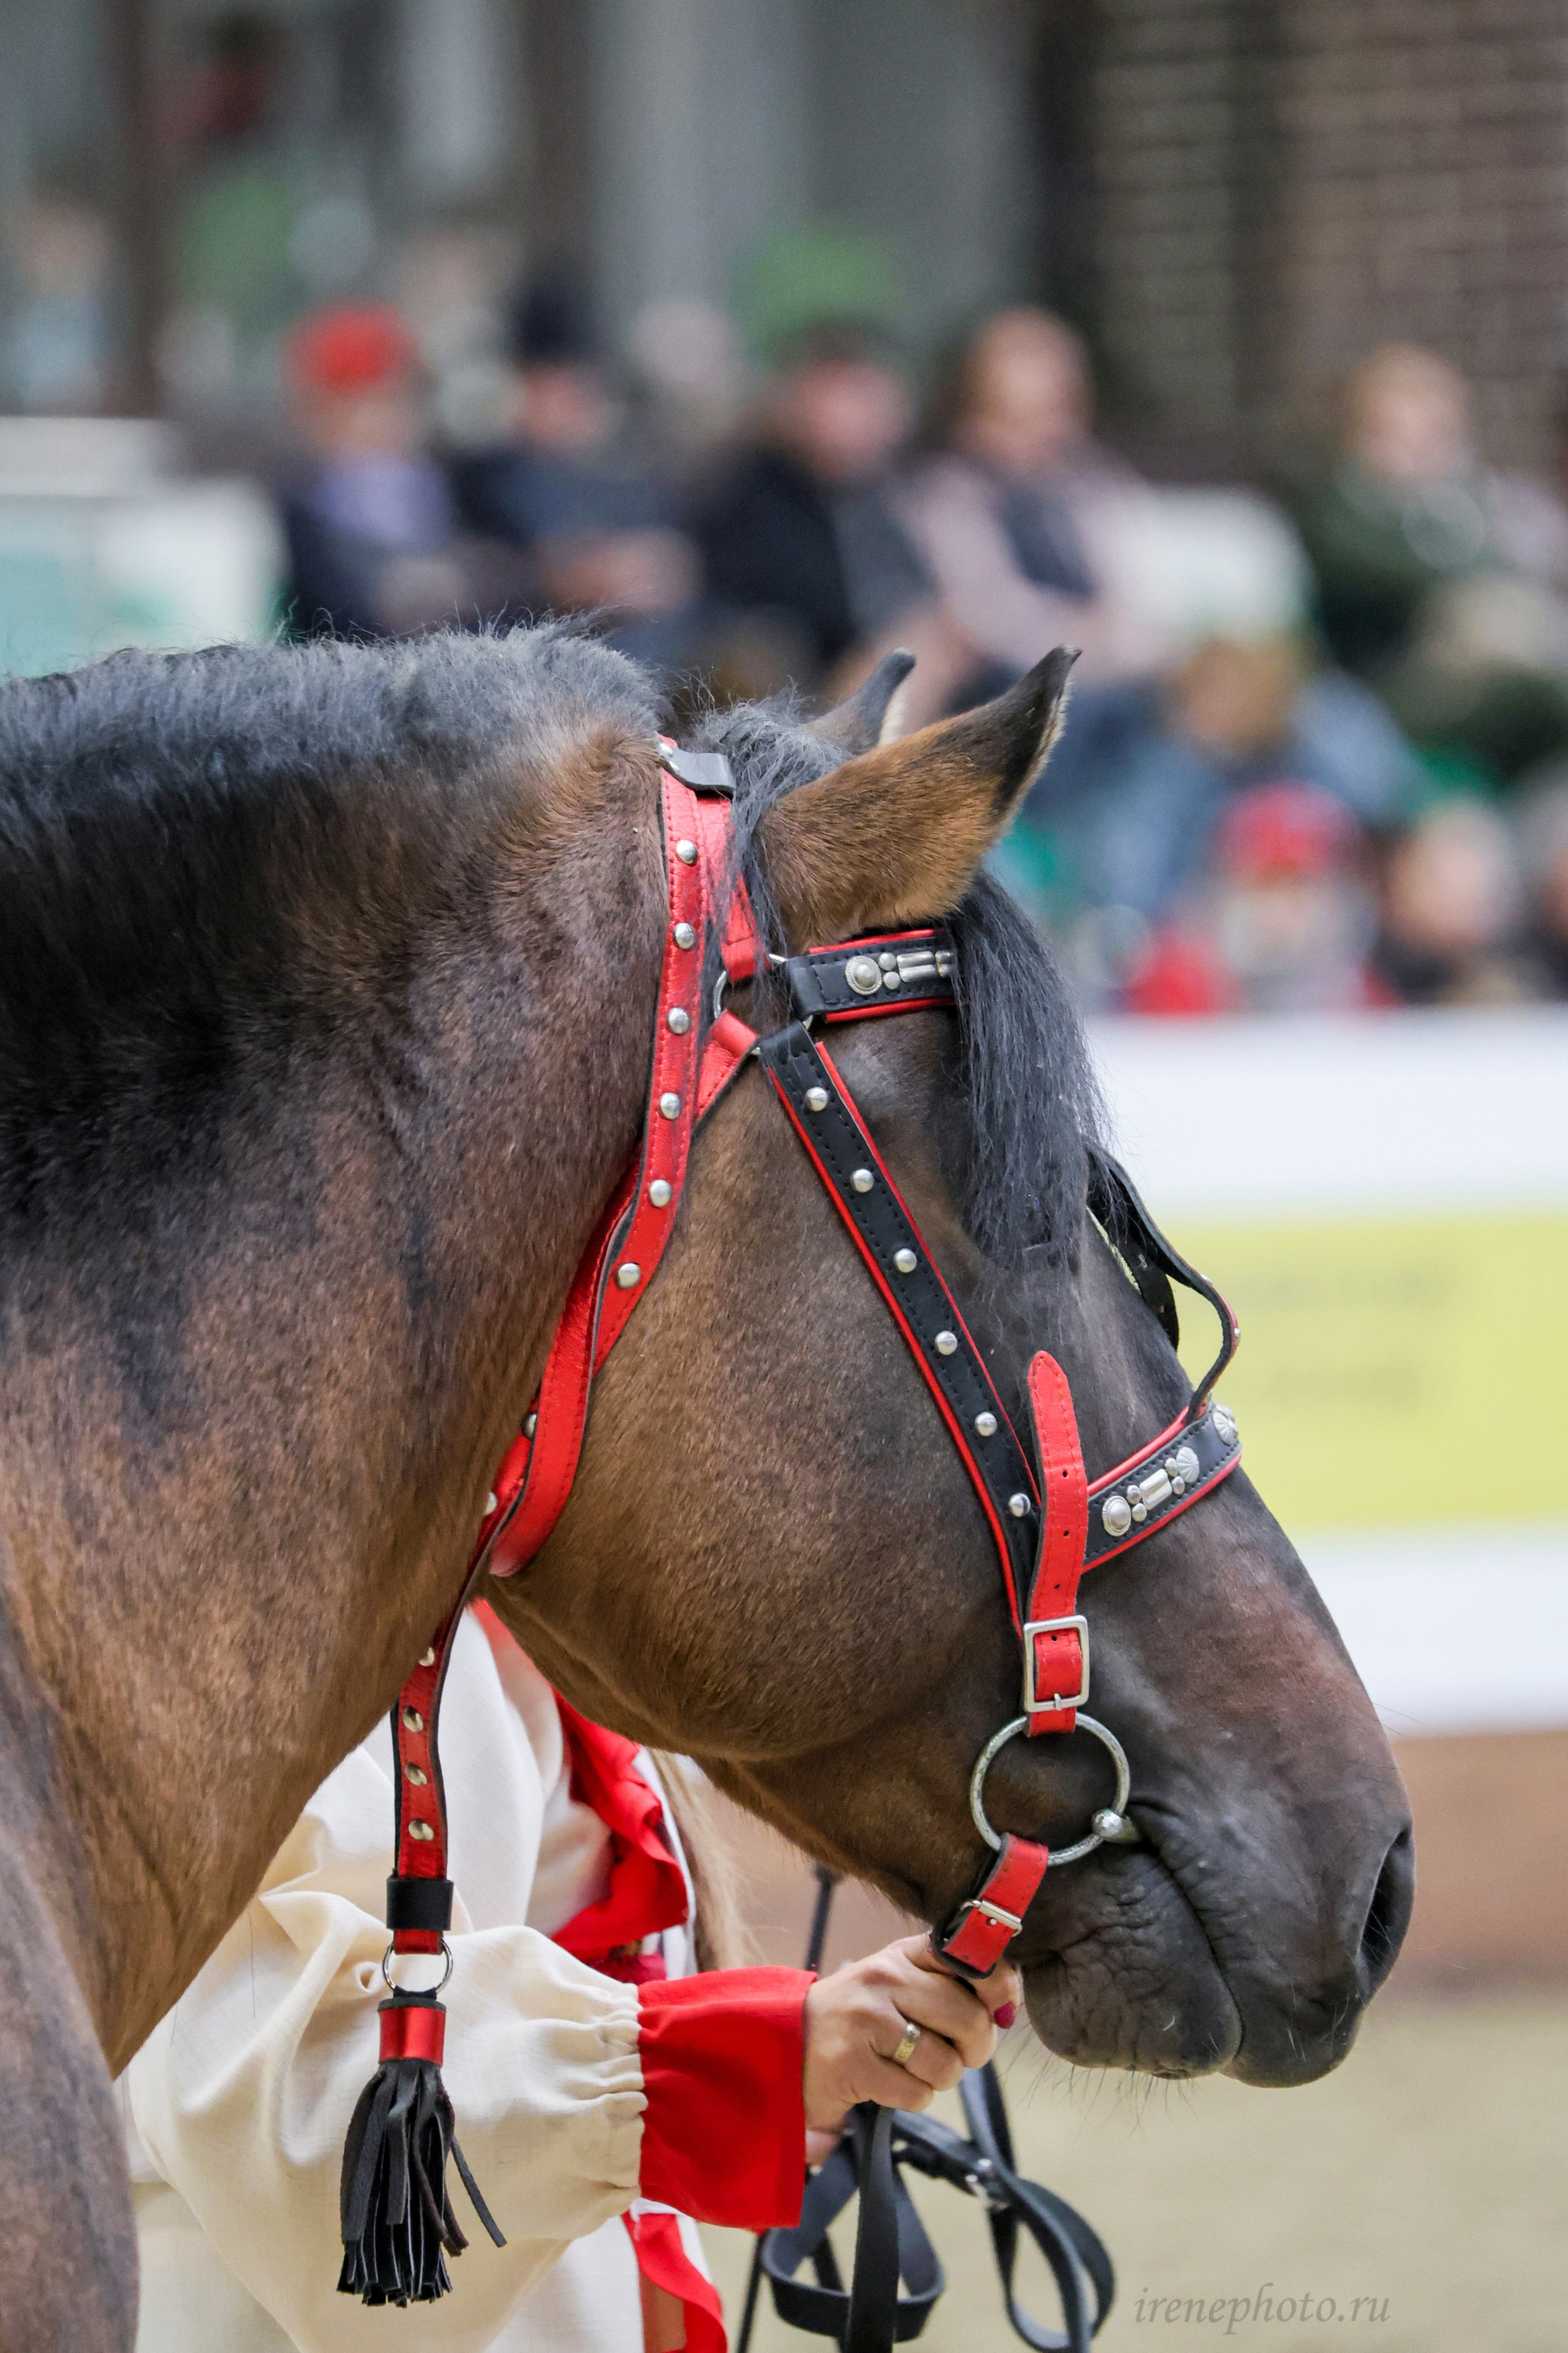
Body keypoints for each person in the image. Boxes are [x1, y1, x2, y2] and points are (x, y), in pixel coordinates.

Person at [124, 1601, 1016, 2352]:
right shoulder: (294, 1609)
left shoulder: (551, 1621)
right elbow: (283, 2088)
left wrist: (804, 2073)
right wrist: (741, 2060)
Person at [1287, 344, 1568, 781]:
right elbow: (1427, 579)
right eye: (1398, 437)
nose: (1419, 453)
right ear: (1360, 435)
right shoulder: (1339, 515)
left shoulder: (1471, 503)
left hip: (1492, 694)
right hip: (1387, 703)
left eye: (1435, 437)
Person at [895, 308, 1169, 706]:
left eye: (1049, 413)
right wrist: (1098, 639)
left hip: (1121, 683)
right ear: (966, 417)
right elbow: (992, 620)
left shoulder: (1094, 485)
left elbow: (1147, 601)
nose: (1035, 437)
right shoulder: (947, 496)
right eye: (1009, 418)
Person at [450, 279, 701, 671]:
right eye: (545, 388)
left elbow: (675, 571)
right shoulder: (482, 478)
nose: (559, 404)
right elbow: (480, 582)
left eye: (570, 389)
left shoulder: (633, 474)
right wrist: (564, 579)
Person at [693, 321, 944, 701]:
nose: (864, 417)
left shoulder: (888, 491)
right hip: (790, 681)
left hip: (873, 663)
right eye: (847, 398)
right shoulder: (747, 491)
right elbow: (780, 611)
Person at [278, 303, 529, 641]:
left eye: (394, 400)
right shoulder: (299, 514)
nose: (384, 420)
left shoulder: (459, 489)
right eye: (362, 404)